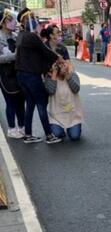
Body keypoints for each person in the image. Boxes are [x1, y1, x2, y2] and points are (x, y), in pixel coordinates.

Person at [15, 7, 61, 144]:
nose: (36, 21)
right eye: (33, 18)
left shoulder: (21, 36)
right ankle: (49, 135)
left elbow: (35, 57)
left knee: (30, 104)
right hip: (31, 76)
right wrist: (58, 58)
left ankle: (28, 135)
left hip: (21, 76)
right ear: (28, 21)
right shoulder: (31, 36)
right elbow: (45, 52)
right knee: (41, 104)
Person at [0, 9, 25, 139]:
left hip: (18, 73)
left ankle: (22, 126)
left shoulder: (16, 36)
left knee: (21, 102)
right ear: (3, 23)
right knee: (10, 102)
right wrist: (14, 56)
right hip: (5, 75)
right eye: (9, 20)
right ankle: (11, 128)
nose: (12, 23)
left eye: (12, 20)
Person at [44, 59, 82, 141]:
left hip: (72, 115)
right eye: (58, 64)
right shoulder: (50, 77)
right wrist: (54, 73)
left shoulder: (73, 75)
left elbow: (76, 89)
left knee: (74, 136)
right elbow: (51, 91)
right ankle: (60, 130)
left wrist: (67, 75)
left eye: (63, 63)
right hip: (56, 116)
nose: (61, 66)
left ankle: (75, 127)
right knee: (57, 134)